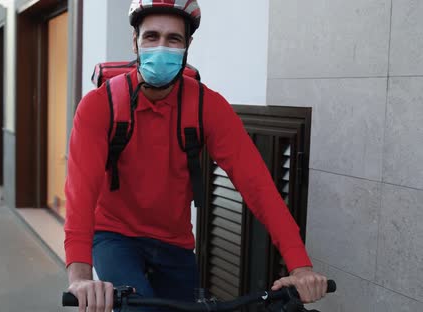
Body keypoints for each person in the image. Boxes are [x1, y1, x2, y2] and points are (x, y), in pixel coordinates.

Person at [64, 1, 329, 312]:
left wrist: (300, 266)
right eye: (151, 37)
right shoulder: (99, 106)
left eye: (173, 39)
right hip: (115, 235)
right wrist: (80, 277)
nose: (161, 46)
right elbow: (81, 194)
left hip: (174, 242)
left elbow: (259, 188)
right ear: (134, 41)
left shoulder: (208, 107)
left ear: (187, 45)